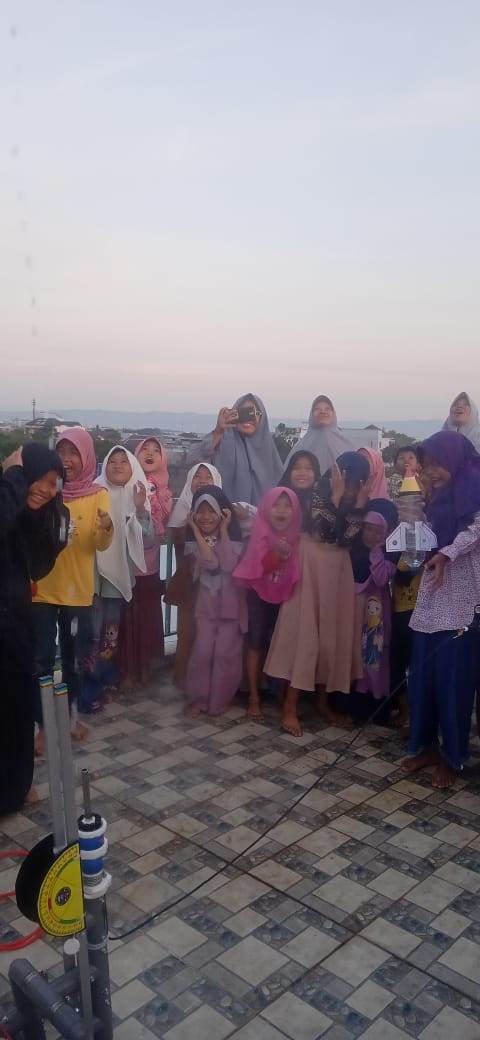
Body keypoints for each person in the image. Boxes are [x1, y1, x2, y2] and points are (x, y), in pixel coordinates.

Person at [265, 451, 370, 735]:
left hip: (338, 569)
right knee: (304, 635)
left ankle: (323, 702)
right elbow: (323, 531)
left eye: (355, 484)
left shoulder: (358, 501)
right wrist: (335, 497)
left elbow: (347, 538)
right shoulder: (315, 494)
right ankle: (290, 707)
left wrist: (359, 505)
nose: (350, 489)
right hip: (310, 564)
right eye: (347, 481)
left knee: (332, 637)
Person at [403, 431, 480, 789]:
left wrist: (447, 554)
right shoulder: (437, 497)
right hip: (434, 593)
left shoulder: (474, 484)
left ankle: (452, 756)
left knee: (453, 679)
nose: (430, 472)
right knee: (424, 673)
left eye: (436, 464)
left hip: (463, 597)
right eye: (426, 465)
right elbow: (426, 538)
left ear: (453, 459)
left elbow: (476, 530)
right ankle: (426, 746)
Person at [33, 429, 113, 748]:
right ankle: (40, 725)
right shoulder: (47, 488)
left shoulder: (98, 494)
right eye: (61, 451)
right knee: (40, 658)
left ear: (87, 457)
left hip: (77, 592)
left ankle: (71, 717)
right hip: (41, 588)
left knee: (74, 660)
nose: (66, 459)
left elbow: (99, 543)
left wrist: (106, 528)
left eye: (73, 452)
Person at [0, 443, 68, 815]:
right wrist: (13, 478)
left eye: (54, 482)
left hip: (15, 625)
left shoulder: (30, 514)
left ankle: (17, 784)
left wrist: (51, 523)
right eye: (39, 478)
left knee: (18, 706)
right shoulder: (7, 496)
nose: (46, 488)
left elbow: (40, 565)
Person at [234, 488, 302, 721]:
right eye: (276, 505)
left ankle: (279, 693)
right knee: (255, 643)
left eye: (287, 506)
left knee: (281, 644)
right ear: (265, 508)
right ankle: (254, 696)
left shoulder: (297, 536)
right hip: (258, 594)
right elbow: (259, 566)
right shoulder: (260, 531)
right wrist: (277, 555)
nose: (281, 511)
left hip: (285, 595)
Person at [93, 446, 154, 697]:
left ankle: (105, 679)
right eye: (112, 461)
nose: (117, 465)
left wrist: (139, 509)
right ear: (105, 465)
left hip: (118, 577)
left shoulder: (136, 494)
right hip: (93, 575)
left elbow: (148, 538)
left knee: (110, 631)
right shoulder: (96, 491)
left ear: (132, 467)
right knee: (91, 630)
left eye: (123, 461)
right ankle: (88, 681)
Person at [184, 487, 246, 716]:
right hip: (206, 609)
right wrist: (195, 531)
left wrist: (225, 531)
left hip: (231, 610)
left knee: (224, 654)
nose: (205, 517)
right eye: (200, 511)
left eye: (211, 511)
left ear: (222, 513)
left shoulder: (235, 540)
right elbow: (210, 563)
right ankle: (198, 699)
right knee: (202, 652)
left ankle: (221, 700)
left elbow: (228, 564)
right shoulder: (193, 544)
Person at [118, 437, 172, 688]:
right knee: (127, 618)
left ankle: (147, 666)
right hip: (126, 563)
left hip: (150, 564)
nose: (150, 454)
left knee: (148, 617)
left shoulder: (165, 492)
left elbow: (162, 525)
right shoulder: (125, 486)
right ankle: (127, 669)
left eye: (156, 451)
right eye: (144, 450)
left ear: (163, 458)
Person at [166, 463, 222, 685]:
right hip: (189, 585)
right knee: (187, 631)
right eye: (197, 476)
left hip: (216, 588)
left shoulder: (223, 511)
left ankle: (207, 680)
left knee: (210, 634)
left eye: (208, 476)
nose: (202, 480)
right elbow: (181, 549)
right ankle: (183, 678)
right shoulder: (182, 510)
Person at [348, 499, 398, 723]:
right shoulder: (353, 551)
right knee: (354, 654)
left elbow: (380, 578)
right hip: (354, 614)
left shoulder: (390, 554)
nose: (371, 535)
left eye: (378, 531)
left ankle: (374, 705)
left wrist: (378, 551)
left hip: (375, 619)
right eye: (367, 529)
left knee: (373, 656)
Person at [186, 393, 282, 505]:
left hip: (262, 515)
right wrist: (218, 431)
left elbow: (281, 488)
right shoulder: (222, 442)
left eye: (255, 413)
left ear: (262, 418)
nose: (249, 418)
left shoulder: (269, 450)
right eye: (243, 413)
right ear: (234, 415)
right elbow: (193, 461)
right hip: (222, 513)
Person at [283, 395, 354, 475]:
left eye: (327, 409)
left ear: (333, 413)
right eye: (317, 409)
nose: (322, 412)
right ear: (311, 414)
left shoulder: (346, 445)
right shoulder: (300, 448)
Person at [280, 450, 320, 527]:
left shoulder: (323, 501)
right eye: (296, 468)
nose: (302, 473)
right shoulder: (277, 498)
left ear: (316, 473)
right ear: (289, 472)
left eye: (308, 468)